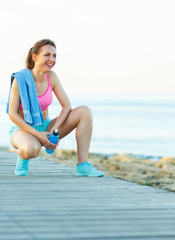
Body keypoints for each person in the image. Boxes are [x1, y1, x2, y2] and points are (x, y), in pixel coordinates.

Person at [6, 39, 104, 177]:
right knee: (31, 150)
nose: (51, 59)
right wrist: (37, 134)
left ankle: (82, 165)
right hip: (23, 129)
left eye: (54, 56)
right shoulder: (20, 79)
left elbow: (66, 106)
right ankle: (23, 157)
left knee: (84, 112)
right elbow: (12, 114)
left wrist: (53, 131)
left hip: (46, 126)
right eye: (47, 55)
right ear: (35, 57)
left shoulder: (51, 77)